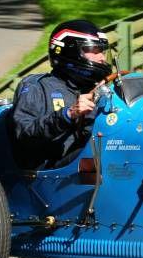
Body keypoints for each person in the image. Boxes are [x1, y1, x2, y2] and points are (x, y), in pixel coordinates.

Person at [10, 20, 112, 169]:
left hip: (89, 161)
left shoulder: (96, 88)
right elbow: (24, 134)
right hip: (53, 169)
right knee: (102, 158)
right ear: (71, 52)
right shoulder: (36, 87)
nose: (102, 57)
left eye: (102, 51)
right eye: (94, 50)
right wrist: (68, 114)